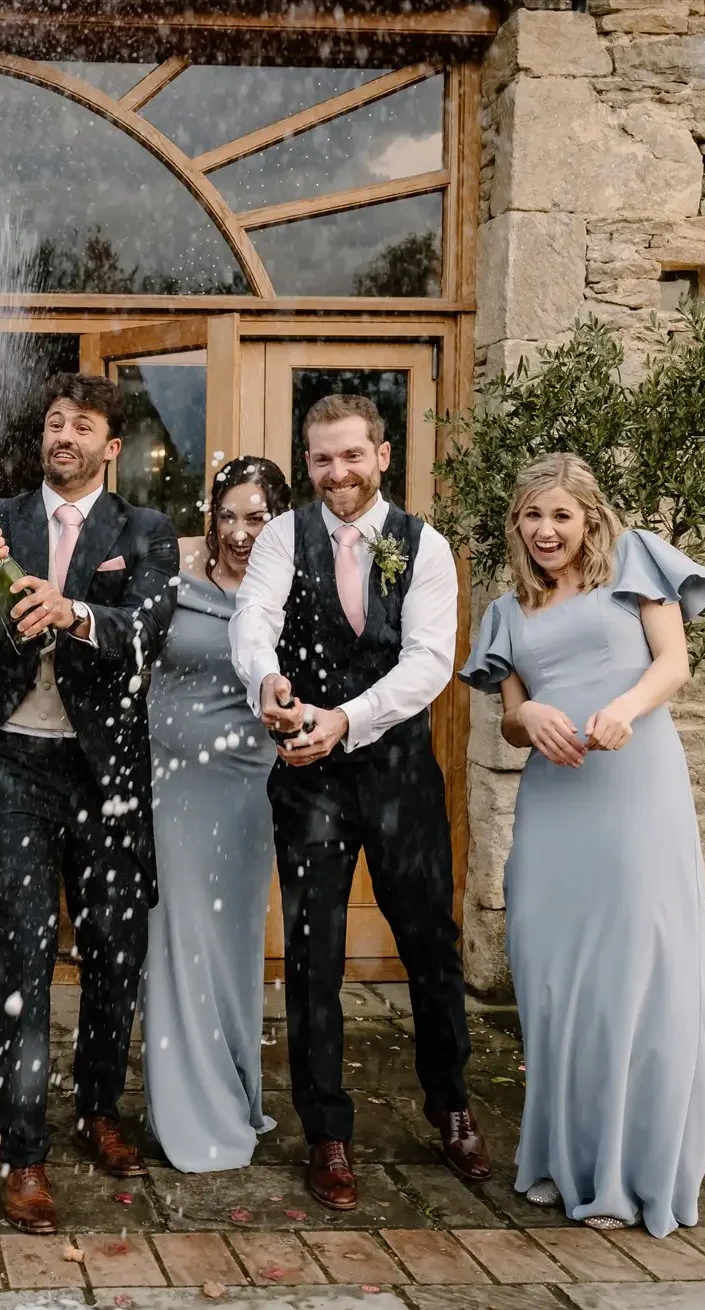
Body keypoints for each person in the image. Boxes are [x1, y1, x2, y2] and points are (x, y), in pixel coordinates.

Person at [228, 392, 488, 1211]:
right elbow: (253, 620)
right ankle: (327, 1130)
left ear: (382, 456)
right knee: (313, 955)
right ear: (307, 463)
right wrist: (264, 680)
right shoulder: (281, 535)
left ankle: (450, 1104)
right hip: (306, 775)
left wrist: (345, 720)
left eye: (350, 455)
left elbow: (427, 665)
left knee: (430, 946)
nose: (336, 472)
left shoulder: (426, 546)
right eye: (320, 459)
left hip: (400, 771)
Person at [0, 372, 180, 1234]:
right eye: (53, 423)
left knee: (116, 946)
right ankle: (26, 1152)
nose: (63, 435)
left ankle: (99, 1107)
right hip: (15, 766)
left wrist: (74, 610)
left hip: (106, 771)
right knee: (23, 949)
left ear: (112, 446)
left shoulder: (145, 530)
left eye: (82, 425)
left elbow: (148, 628)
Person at [460, 455, 705, 1236]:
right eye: (532, 516)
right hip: (555, 802)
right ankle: (562, 1160)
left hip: (636, 792)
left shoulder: (636, 561)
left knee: (639, 972)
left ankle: (628, 1174)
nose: (546, 531)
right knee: (553, 976)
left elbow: (674, 662)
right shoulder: (507, 609)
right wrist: (526, 720)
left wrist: (625, 708)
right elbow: (510, 715)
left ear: (590, 518)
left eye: (562, 515)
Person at [140, 456, 290, 1172]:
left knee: (232, 946)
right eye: (227, 515)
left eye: (256, 517)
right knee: (178, 936)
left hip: (248, 786)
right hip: (172, 782)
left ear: (280, 522)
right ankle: (182, 1109)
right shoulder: (173, 575)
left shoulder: (292, 591)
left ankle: (233, 1092)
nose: (239, 532)